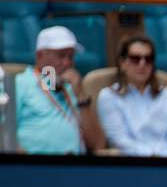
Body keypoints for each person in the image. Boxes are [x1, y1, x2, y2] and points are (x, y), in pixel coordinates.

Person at [96, 35, 167, 158]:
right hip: (133, 167)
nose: (142, 64)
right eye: (135, 59)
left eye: (148, 59)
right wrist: (153, 156)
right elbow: (119, 141)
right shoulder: (109, 97)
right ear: (122, 63)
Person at [15, 26, 103, 155]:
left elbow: (98, 145)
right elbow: (5, 136)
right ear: (40, 56)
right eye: (61, 56)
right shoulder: (21, 83)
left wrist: (81, 95)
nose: (67, 63)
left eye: (71, 57)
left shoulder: (73, 88)